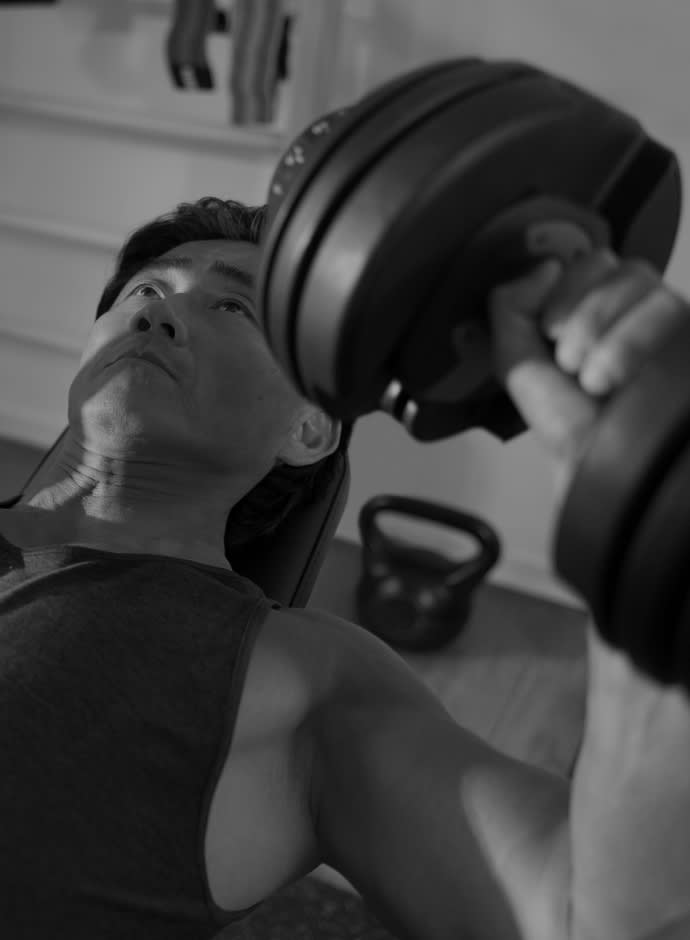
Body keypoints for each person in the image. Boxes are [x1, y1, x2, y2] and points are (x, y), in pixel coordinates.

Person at [1, 195, 689, 940]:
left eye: (236, 309)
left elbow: (589, 918)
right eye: (147, 289)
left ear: (309, 427)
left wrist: (653, 531)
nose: (158, 315)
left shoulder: (303, 684)